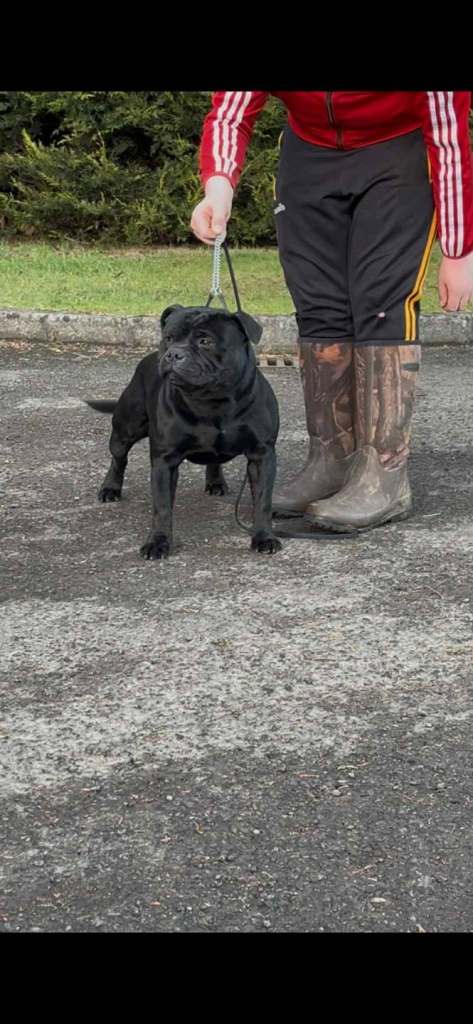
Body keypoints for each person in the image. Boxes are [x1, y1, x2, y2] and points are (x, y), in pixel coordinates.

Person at [190, 92, 473, 532]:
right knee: (317, 303)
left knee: (381, 304)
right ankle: (331, 459)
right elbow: (230, 111)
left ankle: (383, 475)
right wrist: (218, 187)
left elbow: (447, 130)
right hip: (308, 156)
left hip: (396, 154)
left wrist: (458, 249)